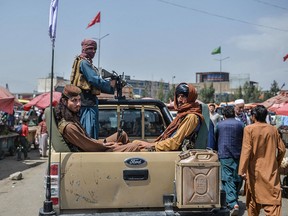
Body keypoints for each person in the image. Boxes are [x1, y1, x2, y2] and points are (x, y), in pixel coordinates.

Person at [54, 84, 140, 152]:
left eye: (79, 100)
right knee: (133, 146)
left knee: (121, 135)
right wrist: (108, 145)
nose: (79, 104)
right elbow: (88, 147)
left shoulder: (72, 118)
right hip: (91, 154)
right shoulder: (69, 127)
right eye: (74, 100)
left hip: (94, 147)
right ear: (64, 101)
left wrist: (105, 143)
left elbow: (89, 140)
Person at [238, 105, 286, 216]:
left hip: (255, 171)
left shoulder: (249, 129)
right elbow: (282, 149)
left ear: (254, 116)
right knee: (273, 203)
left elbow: (246, 151)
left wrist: (242, 171)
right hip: (270, 172)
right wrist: (276, 163)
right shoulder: (273, 129)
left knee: (253, 201)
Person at [133, 83, 203, 151]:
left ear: (190, 97)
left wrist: (151, 145)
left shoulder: (191, 117)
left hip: (171, 152)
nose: (179, 100)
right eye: (178, 96)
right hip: (165, 148)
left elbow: (174, 143)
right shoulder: (182, 115)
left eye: (183, 96)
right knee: (135, 143)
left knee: (133, 148)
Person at [70, 38, 116, 139]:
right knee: (89, 134)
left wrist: (110, 88)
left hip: (88, 103)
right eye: (91, 49)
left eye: (95, 49)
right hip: (87, 104)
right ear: (84, 49)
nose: (94, 51)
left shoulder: (84, 62)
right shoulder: (84, 63)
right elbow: (93, 79)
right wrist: (110, 85)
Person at [214, 106, 244, 215]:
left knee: (227, 178)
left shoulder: (219, 124)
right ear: (234, 114)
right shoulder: (241, 124)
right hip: (239, 154)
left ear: (224, 115)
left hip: (224, 154)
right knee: (238, 177)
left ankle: (232, 202)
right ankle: (233, 198)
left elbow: (215, 137)